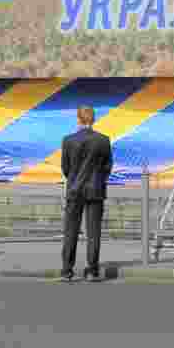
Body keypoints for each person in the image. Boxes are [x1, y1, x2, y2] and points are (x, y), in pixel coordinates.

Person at [60, 106, 113, 283]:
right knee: (94, 232)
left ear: (78, 119)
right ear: (94, 119)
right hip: (96, 190)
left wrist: (74, 180)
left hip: (74, 190)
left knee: (71, 231)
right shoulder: (103, 140)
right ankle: (92, 271)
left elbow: (65, 168)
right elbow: (107, 167)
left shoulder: (68, 140)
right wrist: (98, 180)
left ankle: (67, 270)